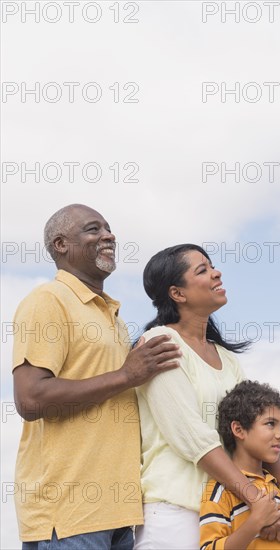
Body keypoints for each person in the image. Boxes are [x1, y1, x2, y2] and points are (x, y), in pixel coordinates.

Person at [12, 204, 182, 550]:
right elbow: (30, 399)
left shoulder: (111, 314)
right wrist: (125, 375)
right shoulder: (48, 300)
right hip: (70, 515)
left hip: (121, 515)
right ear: (61, 245)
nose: (108, 235)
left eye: (108, 228)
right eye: (93, 229)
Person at [134, 244, 280, 549]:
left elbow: (254, 430)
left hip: (231, 512)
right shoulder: (160, 342)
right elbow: (193, 437)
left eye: (212, 266)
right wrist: (258, 501)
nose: (217, 273)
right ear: (178, 293)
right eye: (202, 270)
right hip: (177, 514)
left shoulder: (228, 360)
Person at [200, 380, 280, 549]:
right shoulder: (220, 491)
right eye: (270, 424)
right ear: (238, 430)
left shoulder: (279, 490)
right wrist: (255, 523)